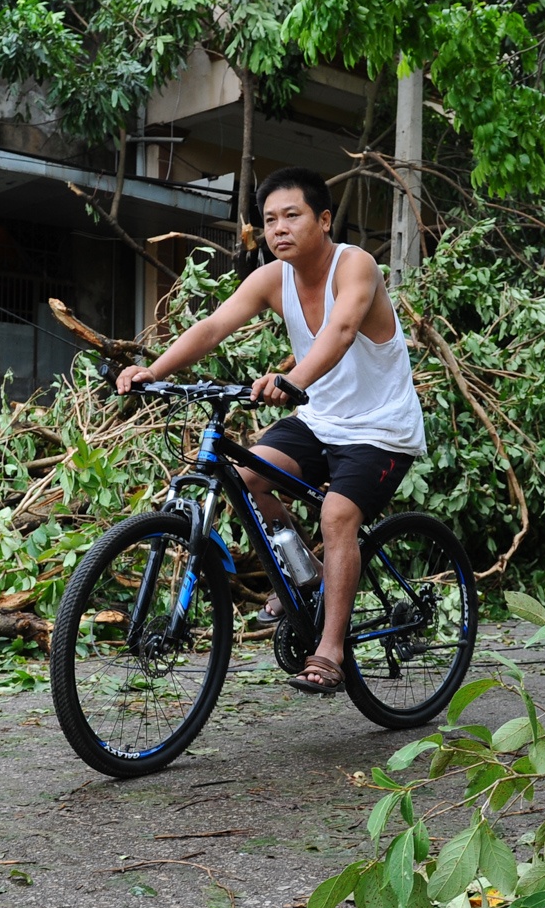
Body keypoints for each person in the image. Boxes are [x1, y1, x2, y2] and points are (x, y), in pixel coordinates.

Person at [116, 166, 427, 693]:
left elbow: (343, 328)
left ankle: (330, 650)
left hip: (380, 430)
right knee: (247, 477)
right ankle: (305, 573)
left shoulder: (357, 267)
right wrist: (154, 370)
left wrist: (293, 378)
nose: (278, 228)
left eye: (292, 216)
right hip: (319, 420)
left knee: (337, 513)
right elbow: (214, 326)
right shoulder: (270, 279)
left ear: (324, 220)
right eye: (269, 220)